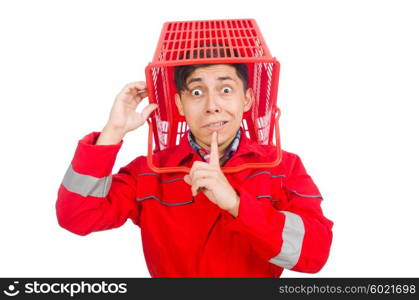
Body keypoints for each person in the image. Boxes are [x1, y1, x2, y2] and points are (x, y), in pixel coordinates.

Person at [56, 63, 333, 277]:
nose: (212, 106)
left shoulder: (283, 166)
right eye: (197, 92)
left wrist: (236, 204)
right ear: (180, 104)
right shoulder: (149, 171)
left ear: (246, 99)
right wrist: (113, 130)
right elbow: (77, 216)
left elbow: (314, 254)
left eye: (225, 90)